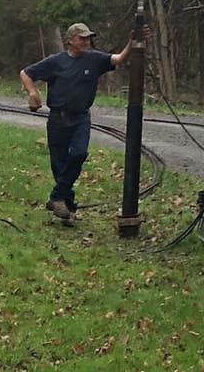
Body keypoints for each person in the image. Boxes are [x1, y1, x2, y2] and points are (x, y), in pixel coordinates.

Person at [20, 22, 135, 223]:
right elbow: (26, 73)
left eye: (88, 38)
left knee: (79, 153)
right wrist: (32, 92)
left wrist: (132, 44)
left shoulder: (94, 59)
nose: (86, 41)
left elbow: (118, 59)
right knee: (59, 165)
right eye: (82, 38)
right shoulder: (55, 62)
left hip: (80, 118)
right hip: (57, 119)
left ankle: (56, 197)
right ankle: (67, 206)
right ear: (70, 40)